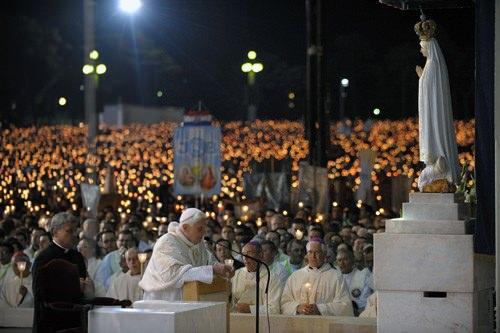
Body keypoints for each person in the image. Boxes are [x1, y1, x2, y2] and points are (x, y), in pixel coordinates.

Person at [139, 208, 234, 300]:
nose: (204, 232)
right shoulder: (167, 242)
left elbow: (208, 262)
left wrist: (220, 268)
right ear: (185, 227)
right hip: (162, 302)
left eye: (205, 228)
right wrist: (213, 270)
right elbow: (176, 275)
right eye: (200, 229)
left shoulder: (198, 242)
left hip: (189, 299)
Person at [414, 18, 459, 190]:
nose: (420, 49)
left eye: (422, 47)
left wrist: (421, 79)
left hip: (433, 115)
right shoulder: (432, 65)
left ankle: (438, 162)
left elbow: (428, 91)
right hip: (432, 112)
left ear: (429, 47)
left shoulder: (432, 66)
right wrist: (422, 78)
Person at [31, 212, 93, 333]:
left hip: (74, 321)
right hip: (50, 323)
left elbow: (82, 285)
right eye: (69, 231)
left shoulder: (77, 256)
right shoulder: (44, 258)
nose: (74, 235)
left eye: (75, 231)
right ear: (54, 232)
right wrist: (71, 286)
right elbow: (39, 294)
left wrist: (86, 287)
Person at [280, 238, 353, 316]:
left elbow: (345, 306)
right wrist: (297, 307)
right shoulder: (295, 276)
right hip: (299, 324)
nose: (313, 256)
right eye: (310, 252)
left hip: (324, 325)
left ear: (324, 254)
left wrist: (320, 309)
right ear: (307, 255)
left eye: (317, 252)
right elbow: (285, 303)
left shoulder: (336, 276)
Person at [231, 241, 284, 314]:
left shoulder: (272, 277)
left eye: (249, 253)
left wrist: (249, 309)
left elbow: (274, 309)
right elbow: (230, 302)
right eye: (243, 254)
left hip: (260, 322)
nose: (245, 258)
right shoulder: (237, 274)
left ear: (260, 255)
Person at [336, 249, 373, 315]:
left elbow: (366, 302)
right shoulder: (334, 277)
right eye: (339, 260)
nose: (342, 263)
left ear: (352, 261)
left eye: (345, 259)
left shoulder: (363, 276)